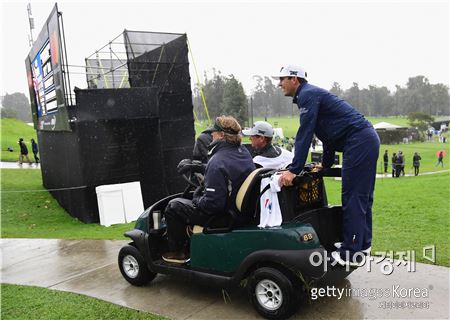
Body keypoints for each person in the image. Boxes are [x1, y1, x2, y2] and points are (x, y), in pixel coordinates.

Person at [273, 65, 380, 267]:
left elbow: (305, 133)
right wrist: (326, 163)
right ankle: (363, 244)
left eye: (282, 79)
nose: (279, 84)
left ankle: (350, 251)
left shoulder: (307, 94)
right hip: (364, 140)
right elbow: (328, 134)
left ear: (294, 79)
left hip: (359, 142)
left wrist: (294, 170)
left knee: (354, 197)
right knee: (363, 198)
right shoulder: (310, 94)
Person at [162, 116, 255, 263]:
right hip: (239, 210)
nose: (211, 134)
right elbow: (228, 170)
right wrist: (198, 166)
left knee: (173, 206)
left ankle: (178, 252)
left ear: (222, 135)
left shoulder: (217, 161)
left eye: (214, 132)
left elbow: (213, 205)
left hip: (222, 216)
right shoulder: (243, 152)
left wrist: (197, 198)